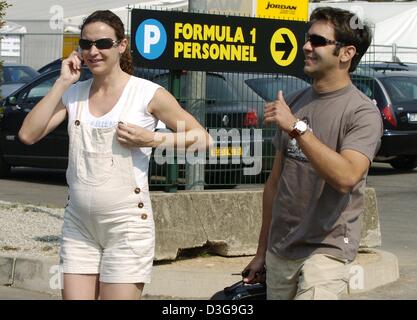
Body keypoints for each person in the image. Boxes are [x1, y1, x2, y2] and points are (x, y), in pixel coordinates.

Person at [18, 10, 211, 300]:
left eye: (103, 44)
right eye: (86, 45)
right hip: (78, 224)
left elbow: (202, 139)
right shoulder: (74, 94)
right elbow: (28, 135)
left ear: (121, 45)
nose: (93, 51)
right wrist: (62, 82)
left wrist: (153, 138)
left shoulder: (147, 93)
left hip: (127, 225)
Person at [243, 7, 383, 300]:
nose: (306, 46)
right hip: (281, 251)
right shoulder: (293, 101)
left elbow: (346, 177)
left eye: (318, 41)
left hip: (327, 253)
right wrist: (262, 252)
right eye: (308, 38)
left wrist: (295, 127)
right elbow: (274, 186)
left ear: (346, 53)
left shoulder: (362, 113)